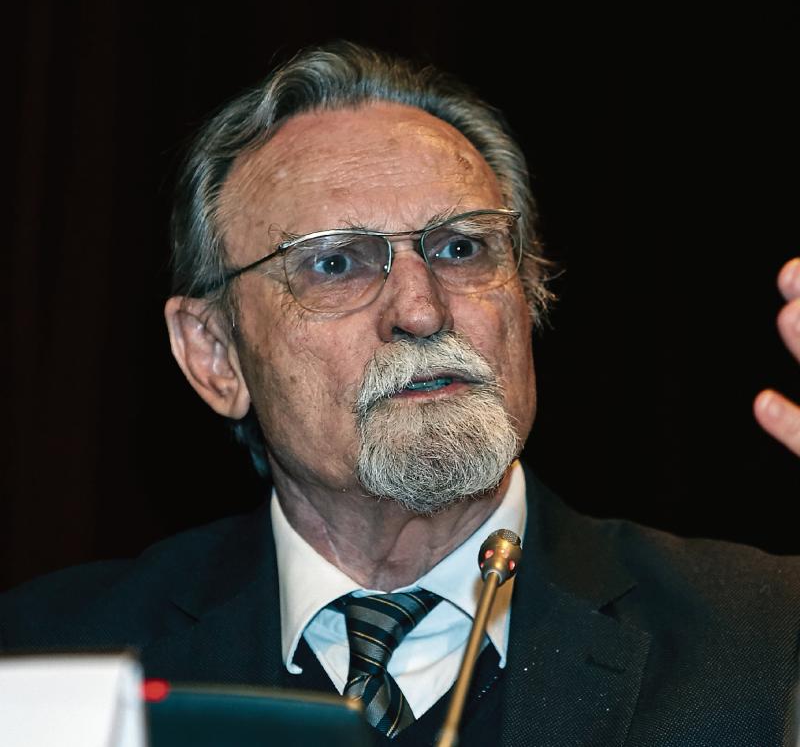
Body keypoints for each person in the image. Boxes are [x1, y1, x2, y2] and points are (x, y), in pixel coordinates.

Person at [2, 41, 800, 746]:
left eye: (461, 248)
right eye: (335, 263)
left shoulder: (766, 638)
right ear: (215, 355)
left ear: (527, 297)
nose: (421, 309)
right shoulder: (47, 657)